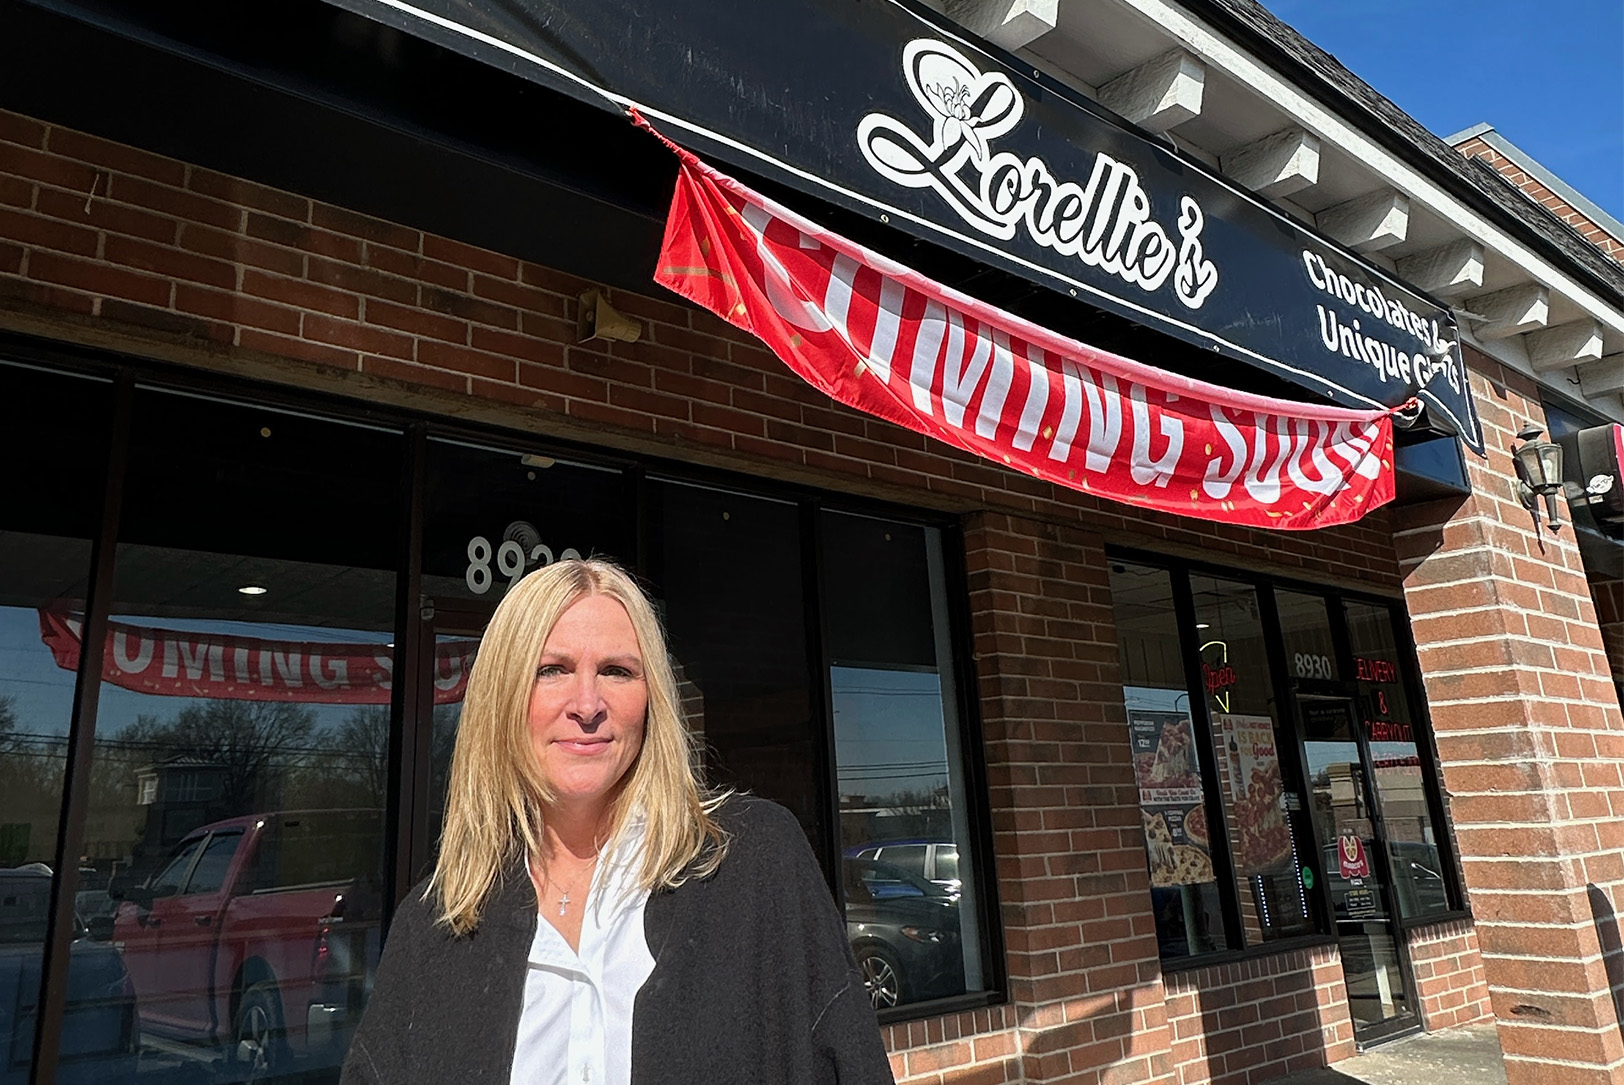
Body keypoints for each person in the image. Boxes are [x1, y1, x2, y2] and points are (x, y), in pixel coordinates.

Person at [341, 558, 894, 1085]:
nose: (587, 703)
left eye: (617, 671)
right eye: (552, 669)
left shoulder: (756, 864)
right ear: (500, 699)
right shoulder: (431, 930)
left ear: (651, 697)